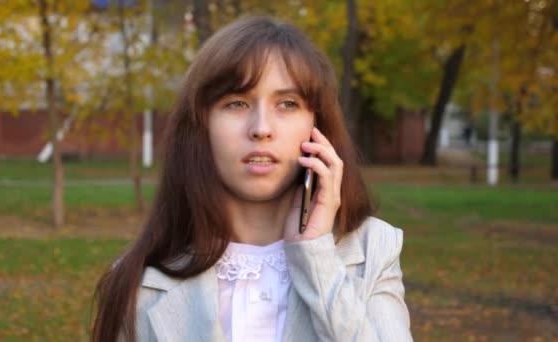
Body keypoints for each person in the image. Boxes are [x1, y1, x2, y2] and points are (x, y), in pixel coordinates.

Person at [92, 16, 412, 342]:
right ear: (201, 127)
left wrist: (317, 259)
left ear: (319, 126)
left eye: (287, 104)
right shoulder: (137, 283)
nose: (261, 128)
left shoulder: (374, 251)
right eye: (237, 103)